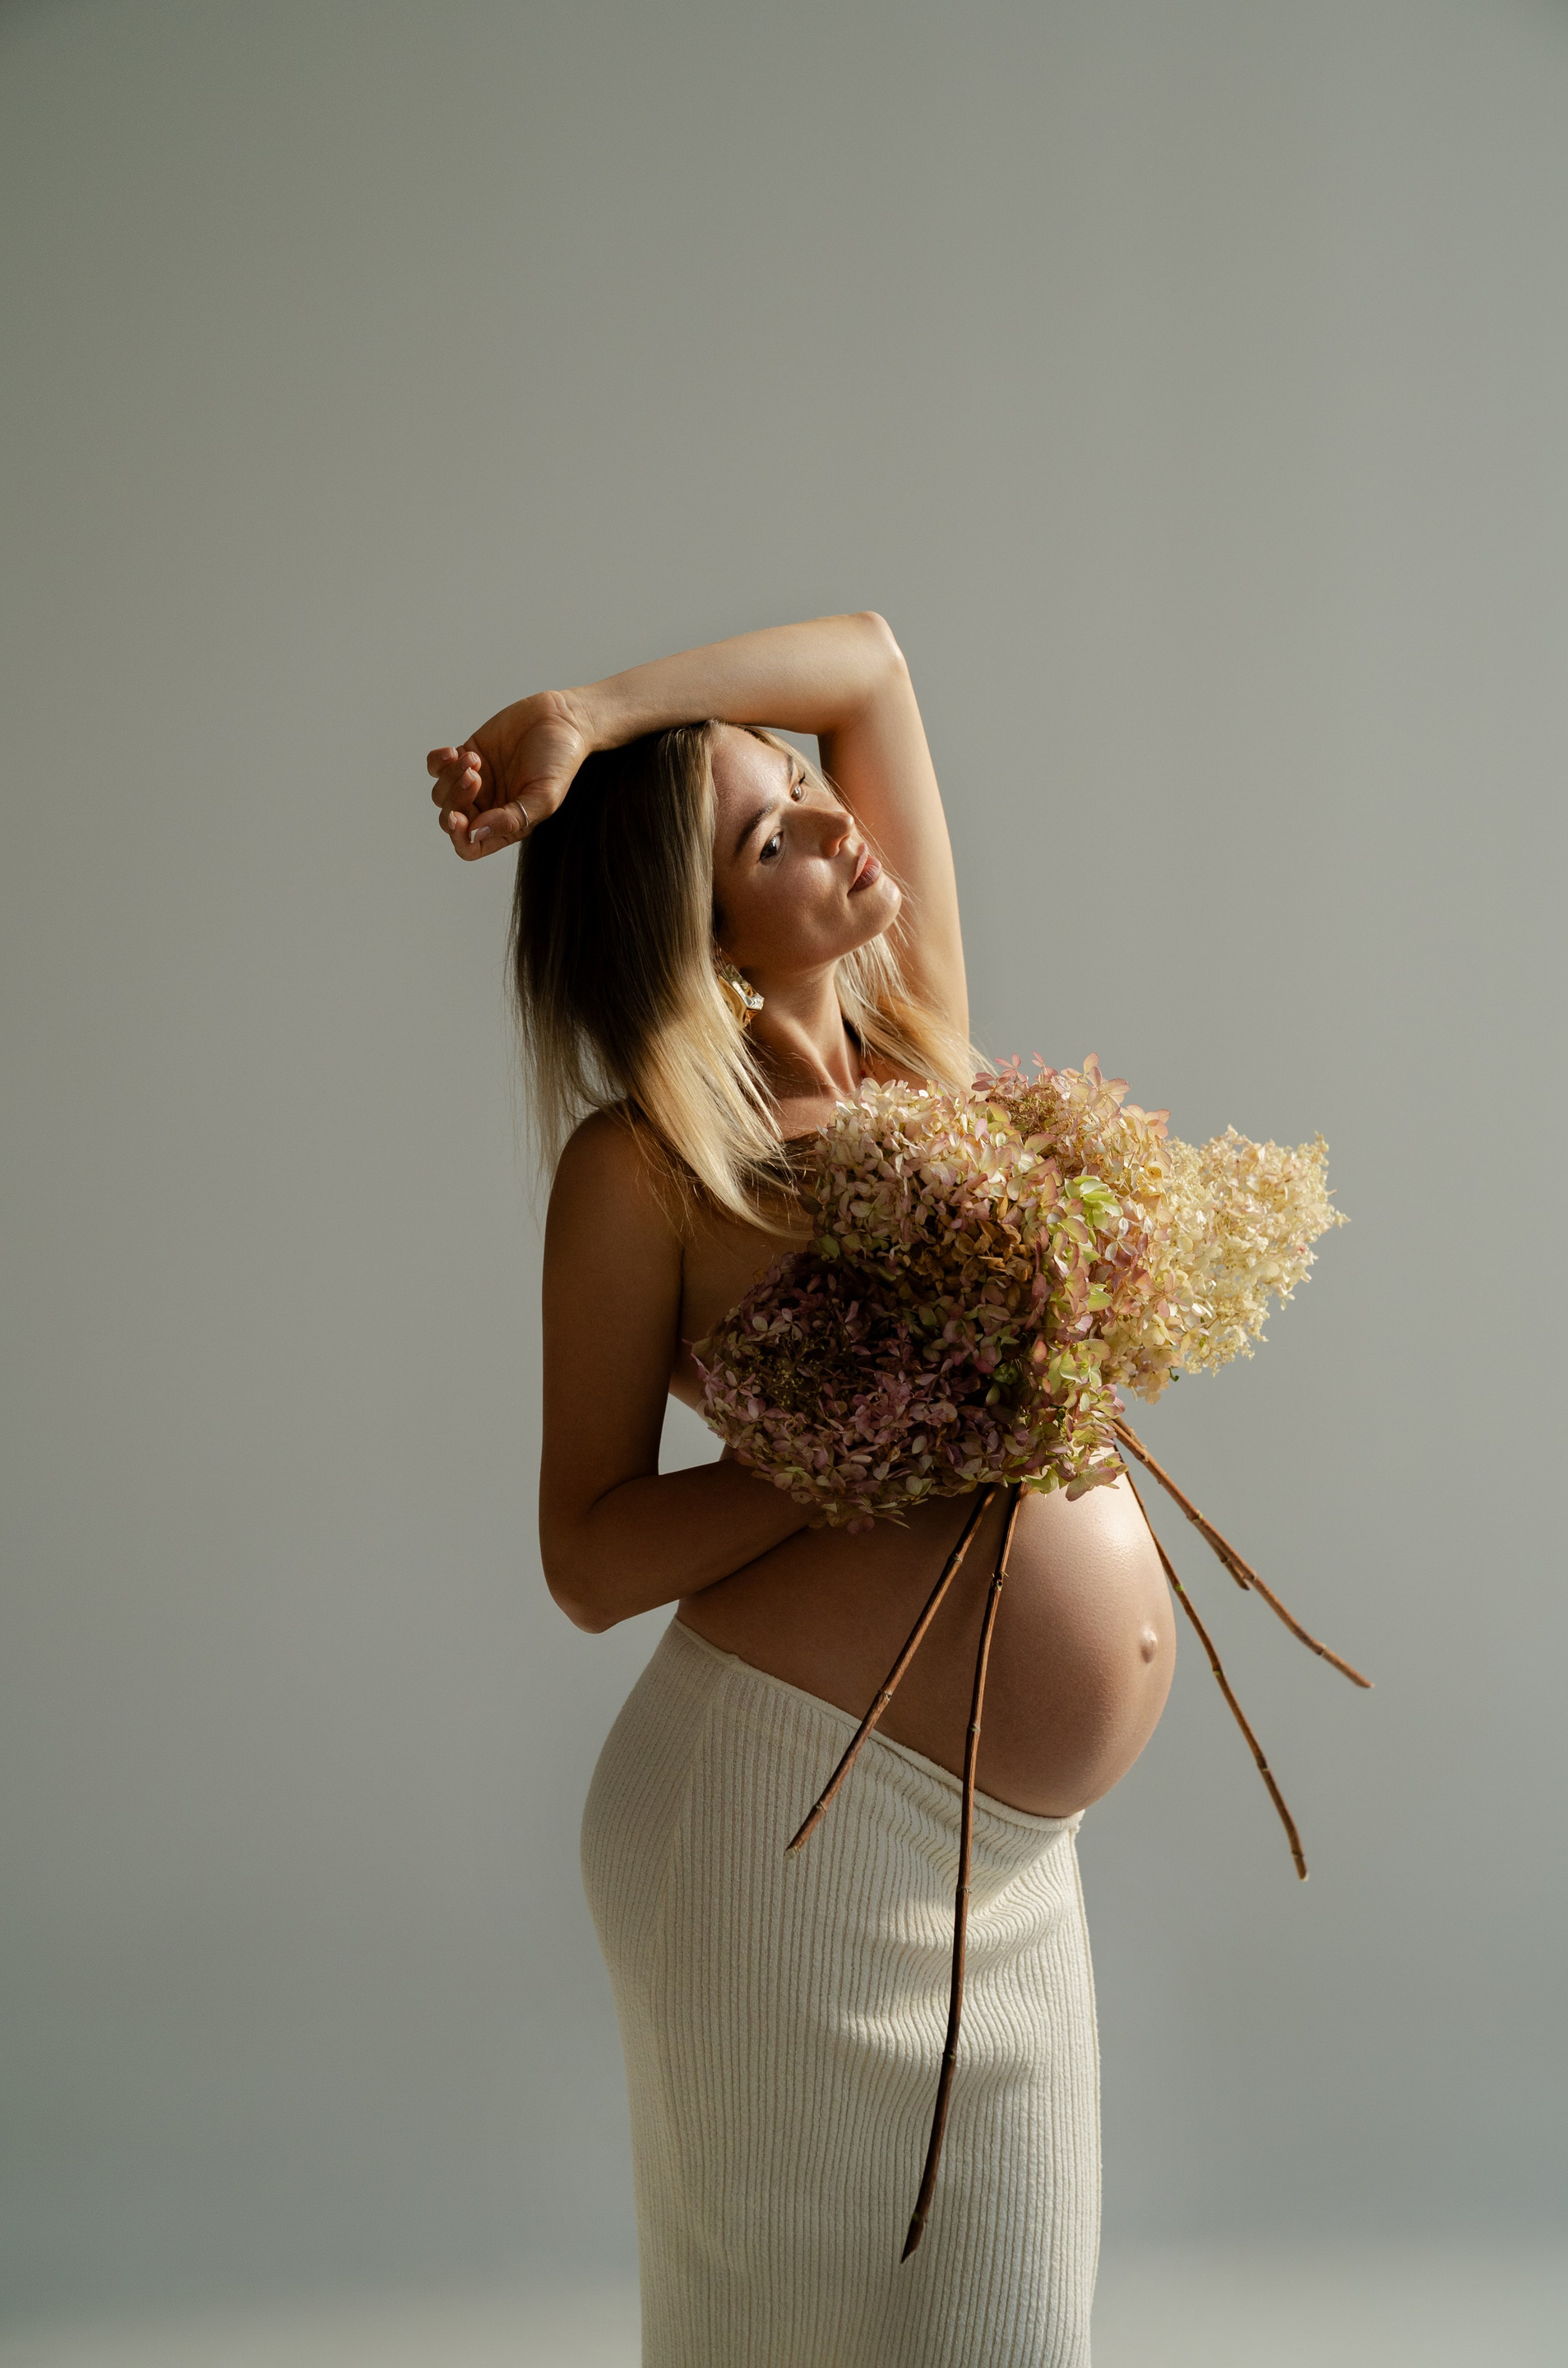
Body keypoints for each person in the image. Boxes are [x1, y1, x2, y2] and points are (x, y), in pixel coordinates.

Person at [428, 613, 1176, 2368]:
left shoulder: (924, 1055)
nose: (839, 820)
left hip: (1006, 1867)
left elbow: (870, 668)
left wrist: (590, 715)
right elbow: (586, 1556)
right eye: (774, 836)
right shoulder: (645, 1171)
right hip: (790, 1847)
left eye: (807, 789)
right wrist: (836, 1454)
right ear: (698, 935)